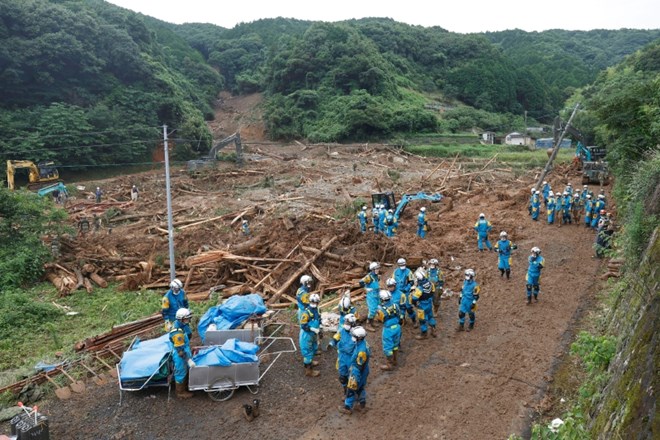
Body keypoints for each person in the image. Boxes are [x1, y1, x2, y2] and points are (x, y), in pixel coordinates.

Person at [339, 326, 371, 415]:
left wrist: (354, 375)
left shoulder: (361, 351)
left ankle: (347, 407)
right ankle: (362, 406)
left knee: (351, 388)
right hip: (364, 370)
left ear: (359, 338)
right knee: (360, 387)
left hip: (357, 371)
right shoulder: (363, 343)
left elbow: (359, 365)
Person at [169, 307, 194, 399]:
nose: (189, 320)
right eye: (187, 318)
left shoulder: (182, 325)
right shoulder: (177, 333)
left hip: (184, 348)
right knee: (181, 371)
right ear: (181, 319)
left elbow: (188, 335)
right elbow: (180, 352)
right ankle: (180, 392)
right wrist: (188, 360)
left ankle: (185, 385)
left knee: (185, 370)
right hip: (180, 354)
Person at [329, 313, 357, 393]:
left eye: (348, 323)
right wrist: (333, 342)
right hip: (342, 357)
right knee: (342, 376)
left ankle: (352, 392)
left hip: (351, 358)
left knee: (352, 377)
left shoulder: (356, 333)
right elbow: (337, 336)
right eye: (345, 323)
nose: (345, 325)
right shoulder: (342, 331)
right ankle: (346, 390)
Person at [376, 290, 402, 370]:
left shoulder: (380, 309)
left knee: (387, 347)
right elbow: (400, 316)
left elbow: (379, 319)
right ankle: (395, 360)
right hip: (397, 327)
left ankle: (389, 364)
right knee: (395, 344)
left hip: (388, 330)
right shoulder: (395, 305)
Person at [299, 293, 322, 377]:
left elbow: (319, 319)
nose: (315, 304)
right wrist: (313, 329)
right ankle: (309, 371)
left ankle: (311, 361)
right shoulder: (306, 312)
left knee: (313, 346)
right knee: (307, 351)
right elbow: (303, 325)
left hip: (313, 334)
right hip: (306, 334)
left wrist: (320, 327)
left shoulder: (317, 310)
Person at [393, 258, 417, 327]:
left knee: (408, 307)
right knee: (399, 307)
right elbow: (393, 280)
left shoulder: (408, 272)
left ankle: (414, 320)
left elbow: (411, 281)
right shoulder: (395, 272)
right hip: (397, 292)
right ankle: (402, 320)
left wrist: (407, 288)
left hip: (406, 292)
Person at [360, 262, 381, 332]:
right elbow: (361, 282)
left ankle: (372, 321)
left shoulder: (377, 276)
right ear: (372, 269)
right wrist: (366, 288)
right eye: (376, 268)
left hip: (377, 293)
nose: (378, 270)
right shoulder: (369, 277)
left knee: (376, 308)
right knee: (372, 310)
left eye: (378, 268)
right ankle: (368, 324)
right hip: (371, 295)